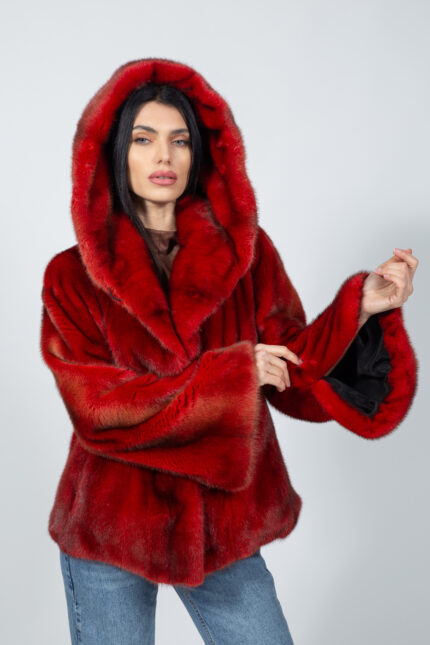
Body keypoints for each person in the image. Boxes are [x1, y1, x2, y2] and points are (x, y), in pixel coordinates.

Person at [40, 57, 419, 645]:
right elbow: (97, 407)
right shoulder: (71, 275)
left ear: (199, 154)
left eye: (180, 140)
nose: (164, 156)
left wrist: (361, 307)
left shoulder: (246, 256)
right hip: (112, 524)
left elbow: (292, 367)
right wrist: (231, 376)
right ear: (117, 152)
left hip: (221, 523)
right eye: (144, 139)